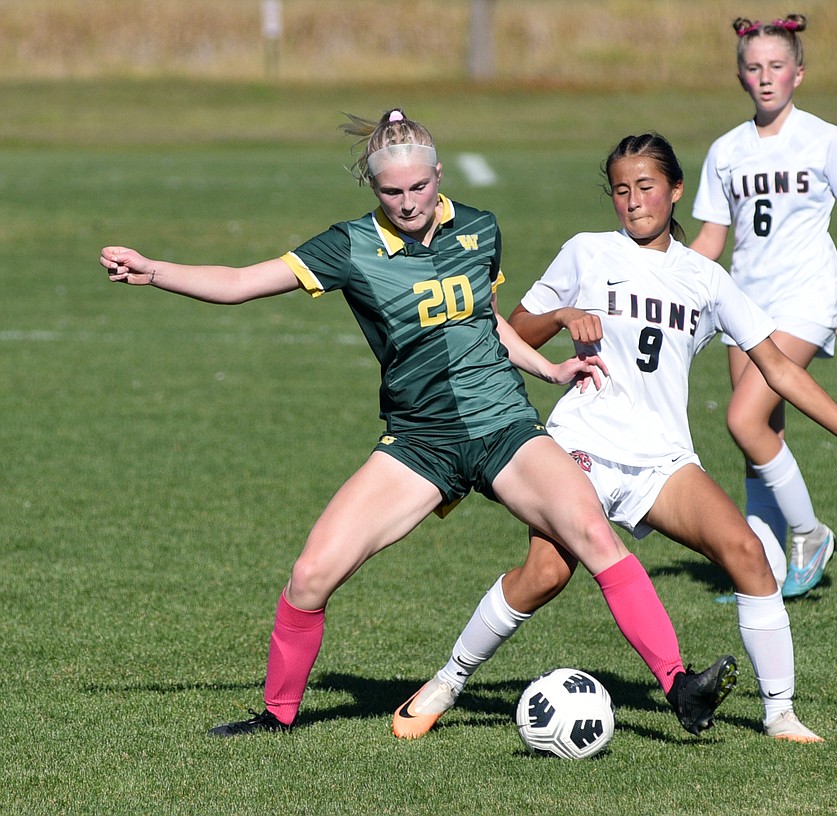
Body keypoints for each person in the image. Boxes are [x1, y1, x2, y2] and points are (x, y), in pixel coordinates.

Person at [97, 109, 738, 738]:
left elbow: (486, 321)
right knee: (311, 575)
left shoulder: (480, 229)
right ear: (374, 189)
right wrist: (155, 272)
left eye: (419, 187)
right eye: (392, 191)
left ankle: (679, 685)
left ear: (438, 174)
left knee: (596, 538)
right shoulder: (349, 246)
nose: (408, 202)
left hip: (503, 427)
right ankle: (276, 716)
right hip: (420, 442)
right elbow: (240, 281)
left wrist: (546, 370)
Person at [391, 133, 837, 744]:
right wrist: (562, 316)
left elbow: (779, 368)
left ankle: (780, 714)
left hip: (662, 459)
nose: (634, 201)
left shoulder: (706, 279)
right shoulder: (586, 252)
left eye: (646, 187)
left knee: (746, 554)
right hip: (579, 445)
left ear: (675, 191)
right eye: (621, 189)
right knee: (544, 575)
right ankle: (446, 684)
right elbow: (514, 334)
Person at [690, 15, 837, 598]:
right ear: (740, 76)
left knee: (742, 420)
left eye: (777, 66)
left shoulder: (824, 138)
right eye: (754, 68)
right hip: (744, 305)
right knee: (760, 436)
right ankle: (765, 571)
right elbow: (710, 241)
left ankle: (809, 533)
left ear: (798, 74)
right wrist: (663, 274)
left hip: (805, 298)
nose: (765, 77)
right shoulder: (725, 150)